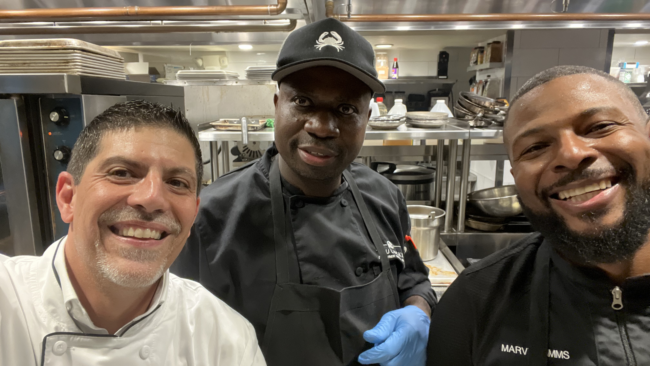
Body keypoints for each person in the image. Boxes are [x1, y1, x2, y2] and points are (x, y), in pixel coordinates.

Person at [172, 18, 435, 366]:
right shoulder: (210, 218)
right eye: (304, 101)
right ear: (277, 103)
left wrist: (419, 314)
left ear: (367, 118)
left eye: (345, 109)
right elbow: (177, 336)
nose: (322, 127)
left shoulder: (385, 196)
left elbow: (413, 280)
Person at [0, 101, 265, 365]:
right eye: (122, 173)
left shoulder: (227, 341)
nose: (152, 198)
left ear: (193, 215)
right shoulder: (9, 303)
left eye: (176, 182)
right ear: (68, 197)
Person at [426, 65, 650, 366]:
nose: (570, 154)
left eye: (599, 126)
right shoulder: (476, 300)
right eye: (535, 147)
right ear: (515, 175)